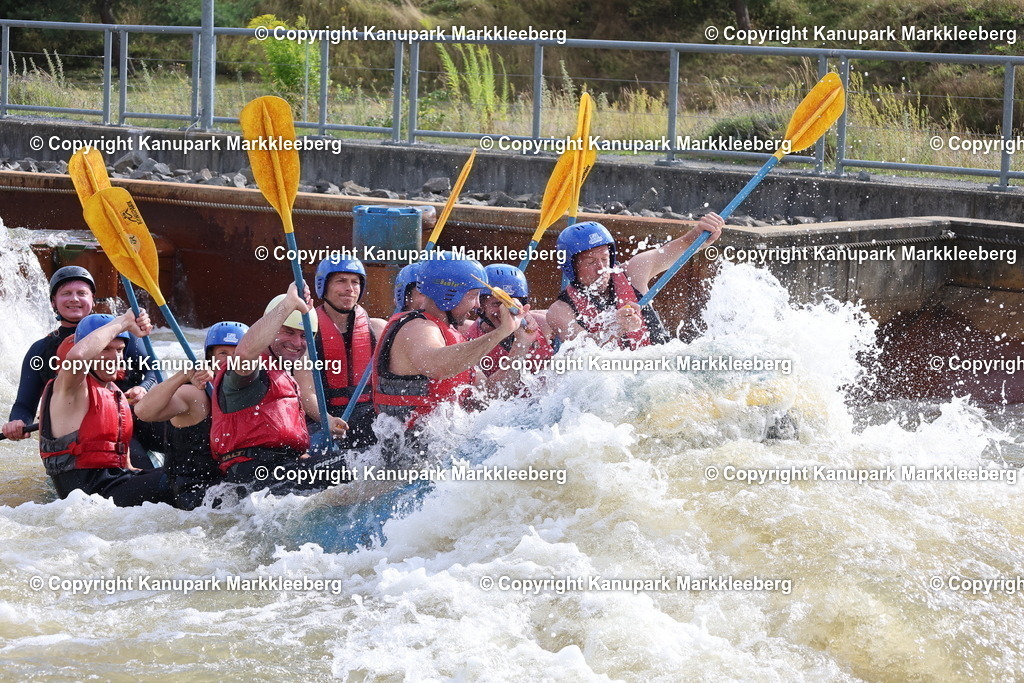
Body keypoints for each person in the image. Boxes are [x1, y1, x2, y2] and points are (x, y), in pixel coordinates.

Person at [4, 267, 161, 463]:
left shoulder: (121, 333)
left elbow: (154, 370)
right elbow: (24, 404)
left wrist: (143, 388)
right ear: (53, 301)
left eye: (81, 293)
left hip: (132, 418)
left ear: (92, 300)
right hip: (83, 437)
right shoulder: (41, 350)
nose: (74, 299)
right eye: (66, 293)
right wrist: (17, 422)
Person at [371, 253, 534, 433]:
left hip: (442, 442)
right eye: (473, 296)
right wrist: (501, 332)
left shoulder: (451, 334)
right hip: (408, 446)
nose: (477, 305)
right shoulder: (417, 328)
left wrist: (521, 344)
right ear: (447, 295)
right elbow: (438, 367)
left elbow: (489, 395)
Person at [210, 284, 347, 493]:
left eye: (304, 336)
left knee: (358, 461)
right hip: (256, 477)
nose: (297, 342)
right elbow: (244, 354)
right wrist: (288, 304)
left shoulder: (284, 374)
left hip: (281, 473)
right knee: (363, 464)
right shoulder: (249, 372)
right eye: (288, 332)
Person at [37, 312, 171, 506]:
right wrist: (124, 321)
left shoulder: (114, 393)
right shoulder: (71, 388)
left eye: (119, 350)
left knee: (186, 473)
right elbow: (77, 356)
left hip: (116, 486)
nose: (114, 357)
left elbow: (128, 466)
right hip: (90, 495)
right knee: (179, 481)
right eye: (105, 349)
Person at [547, 215, 725, 349]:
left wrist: (698, 235)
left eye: (605, 258)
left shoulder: (633, 272)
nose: (601, 268)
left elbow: (679, 248)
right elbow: (583, 353)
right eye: (591, 262)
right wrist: (616, 328)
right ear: (572, 267)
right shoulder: (560, 311)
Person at [133, 321, 248, 509]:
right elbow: (143, 411)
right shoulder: (196, 394)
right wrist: (183, 375)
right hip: (193, 491)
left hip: (230, 483)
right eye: (223, 353)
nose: (230, 361)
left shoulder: (253, 393)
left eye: (237, 354)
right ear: (210, 358)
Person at [302, 257, 386, 448]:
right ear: (324, 286)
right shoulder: (307, 334)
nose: (349, 288)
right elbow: (307, 393)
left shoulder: (378, 329)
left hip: (370, 417)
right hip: (325, 420)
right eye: (341, 281)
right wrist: (328, 421)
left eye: (355, 282)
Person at [463, 264, 554, 381]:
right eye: (497, 304)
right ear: (482, 306)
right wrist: (521, 345)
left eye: (510, 304)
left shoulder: (544, 322)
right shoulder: (471, 342)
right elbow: (490, 391)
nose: (504, 311)